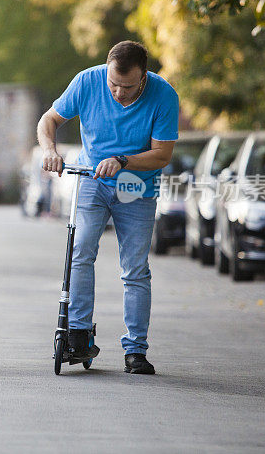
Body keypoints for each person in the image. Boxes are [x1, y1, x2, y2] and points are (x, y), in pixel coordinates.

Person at [37, 40, 178, 374]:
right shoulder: (88, 81)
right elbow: (48, 120)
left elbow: (162, 154)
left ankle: (135, 350)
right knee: (81, 251)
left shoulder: (164, 95)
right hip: (91, 180)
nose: (118, 93)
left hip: (136, 188)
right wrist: (49, 150)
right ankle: (79, 333)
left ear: (143, 77)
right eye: (113, 84)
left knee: (134, 268)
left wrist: (123, 160)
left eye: (127, 87)